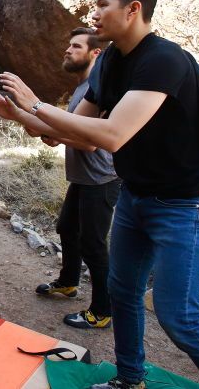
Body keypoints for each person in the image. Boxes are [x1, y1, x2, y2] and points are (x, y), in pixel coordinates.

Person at [0, 0, 199, 389]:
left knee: (180, 318)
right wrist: (19, 114)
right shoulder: (111, 61)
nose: (92, 13)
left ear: (133, 9)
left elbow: (112, 135)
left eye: (102, 5)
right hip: (135, 196)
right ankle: (129, 380)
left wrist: (36, 103)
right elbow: (73, 132)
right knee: (123, 293)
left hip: (184, 205)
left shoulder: (163, 60)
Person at [31, 27, 121, 331]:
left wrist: (56, 133)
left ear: (95, 52)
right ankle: (68, 283)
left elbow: (90, 142)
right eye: (68, 45)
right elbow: (74, 133)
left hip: (102, 179)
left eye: (75, 46)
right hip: (84, 178)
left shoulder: (101, 88)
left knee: (93, 244)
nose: (67, 50)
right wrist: (55, 136)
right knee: (66, 228)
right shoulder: (83, 88)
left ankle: (102, 311)